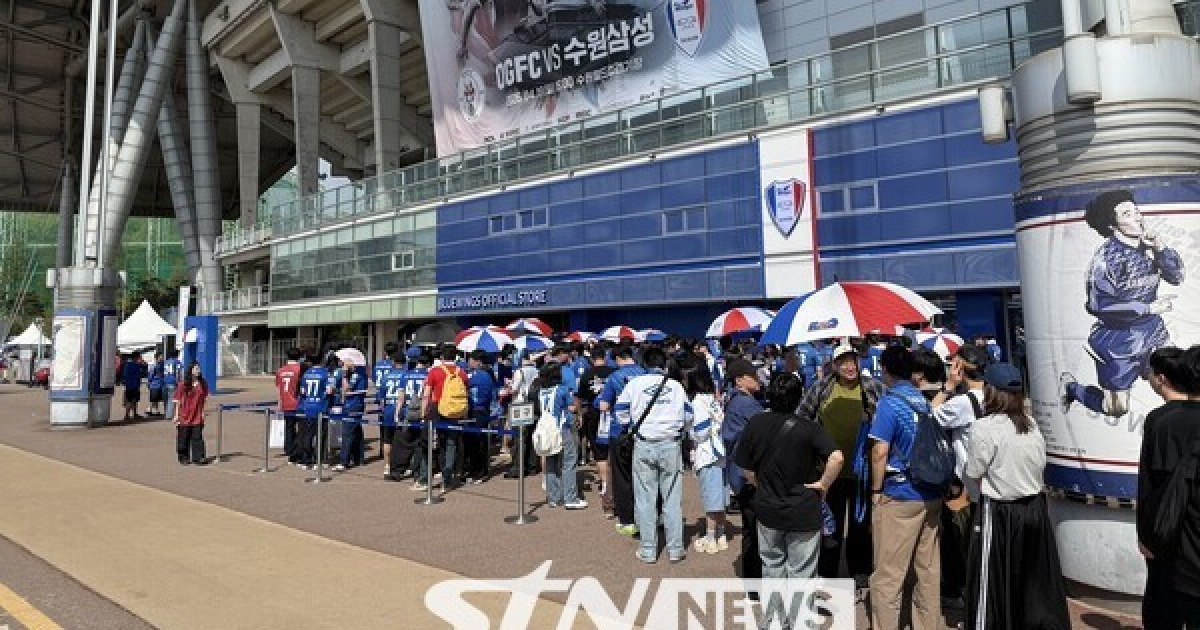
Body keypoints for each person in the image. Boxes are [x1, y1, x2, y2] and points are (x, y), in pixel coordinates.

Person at [964, 362, 1071, 629]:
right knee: (1034, 579)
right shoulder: (1031, 424)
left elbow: (974, 472)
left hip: (1000, 511)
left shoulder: (984, 427)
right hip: (1034, 508)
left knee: (990, 579)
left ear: (991, 391)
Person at [1062, 189, 1185, 418]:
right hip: (1118, 342)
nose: (1137, 217)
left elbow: (1177, 277)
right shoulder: (1105, 260)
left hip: (1153, 333)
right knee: (1117, 408)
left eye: (1136, 210)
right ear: (1112, 224)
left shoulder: (1150, 247)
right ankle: (1072, 389)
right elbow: (1097, 306)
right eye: (1127, 214)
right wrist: (1146, 308)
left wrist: (1160, 247)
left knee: (1177, 385)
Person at [737, 372, 843, 579]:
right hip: (802, 508)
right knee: (802, 571)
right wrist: (823, 484)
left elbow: (746, 469)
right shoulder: (811, 428)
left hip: (768, 506)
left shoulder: (755, 424)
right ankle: (799, 611)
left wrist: (759, 484)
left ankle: (775, 611)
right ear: (798, 397)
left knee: (771, 565)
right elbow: (837, 457)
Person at [868, 345, 944, 630]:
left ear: (885, 370)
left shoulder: (889, 403)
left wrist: (876, 492)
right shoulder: (923, 401)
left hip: (900, 495)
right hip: (931, 492)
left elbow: (879, 452)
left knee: (889, 573)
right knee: (927, 570)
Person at [795, 344, 883, 586]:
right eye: (843, 361)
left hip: (862, 471)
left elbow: (885, 422)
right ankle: (827, 572)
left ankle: (860, 572)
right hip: (828, 471)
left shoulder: (873, 387)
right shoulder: (821, 388)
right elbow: (802, 417)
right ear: (834, 365)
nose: (849, 366)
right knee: (828, 524)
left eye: (852, 360)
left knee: (860, 524)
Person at [1138, 346, 1200, 629]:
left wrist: (1144, 534)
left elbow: (1147, 483)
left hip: (1166, 531)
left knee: (1164, 608)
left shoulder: (1160, 421)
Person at [615, 346, 692, 563]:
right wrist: (678, 431)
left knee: (645, 499)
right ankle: (675, 549)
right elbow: (688, 415)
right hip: (670, 444)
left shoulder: (634, 384)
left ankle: (648, 550)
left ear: (643, 363)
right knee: (671, 499)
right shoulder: (675, 386)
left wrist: (630, 427)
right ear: (664, 364)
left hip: (644, 444)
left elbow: (619, 410)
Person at [931, 345, 991, 609]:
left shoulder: (962, 404)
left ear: (960, 367)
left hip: (970, 488)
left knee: (965, 544)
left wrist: (947, 387)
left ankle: (967, 595)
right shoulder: (995, 395)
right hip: (996, 483)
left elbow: (931, 415)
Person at [722, 358, 767, 584]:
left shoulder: (737, 400)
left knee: (751, 528)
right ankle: (756, 580)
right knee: (755, 529)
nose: (757, 379)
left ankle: (753, 581)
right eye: (752, 376)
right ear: (740, 380)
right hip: (747, 474)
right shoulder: (745, 404)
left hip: (738, 472)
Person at [597, 344, 647, 530]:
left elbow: (603, 405)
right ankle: (649, 517)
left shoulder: (615, 377)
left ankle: (628, 521)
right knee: (645, 476)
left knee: (622, 477)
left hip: (620, 431)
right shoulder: (646, 374)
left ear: (617, 358)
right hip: (644, 431)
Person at [684, 362, 729, 554]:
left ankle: (711, 537)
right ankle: (721, 533)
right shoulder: (712, 398)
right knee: (719, 495)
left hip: (706, 453)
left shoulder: (697, 402)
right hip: (719, 452)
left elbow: (700, 431)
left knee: (711, 498)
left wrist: (688, 433)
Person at [538, 363, 587, 509]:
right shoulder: (562, 390)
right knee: (569, 462)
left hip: (547, 429)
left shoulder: (542, 391)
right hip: (563, 428)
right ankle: (570, 498)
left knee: (551, 461)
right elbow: (571, 407)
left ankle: (553, 497)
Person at [422, 346, 470, 491]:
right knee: (451, 444)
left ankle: (426, 478)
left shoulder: (434, 372)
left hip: (437, 408)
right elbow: (465, 393)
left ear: (442, 357)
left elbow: (426, 394)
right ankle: (447, 479)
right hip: (455, 411)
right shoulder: (461, 373)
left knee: (431, 443)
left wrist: (423, 413)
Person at [576, 352, 615, 499]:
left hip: (593, 414)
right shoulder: (614, 372)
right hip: (613, 413)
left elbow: (579, 397)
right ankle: (613, 481)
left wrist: (579, 414)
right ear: (604, 358)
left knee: (599, 452)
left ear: (592, 359)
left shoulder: (587, 374)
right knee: (613, 448)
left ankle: (605, 482)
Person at [397, 353, 432, 490]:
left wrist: (398, 412)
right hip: (423, 412)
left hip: (408, 412)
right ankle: (417, 468)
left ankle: (409, 466)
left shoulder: (406, 375)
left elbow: (401, 396)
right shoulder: (428, 375)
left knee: (407, 442)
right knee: (421, 444)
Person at [465, 350, 498, 484]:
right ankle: (477, 471)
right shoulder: (489, 375)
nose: (469, 362)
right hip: (483, 411)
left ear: (477, 361)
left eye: (471, 359)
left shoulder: (475, 376)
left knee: (476, 442)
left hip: (475, 410)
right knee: (478, 442)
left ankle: (478, 472)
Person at [333, 358, 368, 472]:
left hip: (353, 405)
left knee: (347, 432)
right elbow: (336, 386)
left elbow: (347, 388)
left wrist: (344, 375)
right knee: (356, 431)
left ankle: (344, 461)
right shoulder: (350, 374)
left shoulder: (357, 375)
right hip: (349, 404)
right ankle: (359, 458)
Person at [296, 356, 330, 469]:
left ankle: (306, 460)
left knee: (308, 434)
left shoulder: (306, 374)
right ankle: (319, 460)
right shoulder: (325, 373)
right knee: (321, 434)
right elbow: (330, 391)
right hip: (321, 406)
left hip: (308, 406)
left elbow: (302, 392)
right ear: (321, 361)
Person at [173, 362, 210, 465]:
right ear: (191, 370)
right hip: (184, 415)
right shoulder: (183, 384)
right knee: (183, 437)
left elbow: (205, 399)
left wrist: (204, 412)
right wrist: (176, 415)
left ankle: (198, 457)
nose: (198, 371)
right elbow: (177, 401)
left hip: (197, 415)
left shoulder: (202, 384)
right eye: (196, 369)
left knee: (197, 437)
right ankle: (183, 457)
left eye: (199, 369)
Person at [375, 342, 400, 473]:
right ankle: (394, 457)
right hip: (395, 398)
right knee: (397, 432)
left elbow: (375, 379)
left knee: (384, 430)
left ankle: (383, 452)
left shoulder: (378, 364)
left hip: (383, 396)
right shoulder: (398, 366)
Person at [275, 349, 304, 465]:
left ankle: (289, 449)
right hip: (298, 403)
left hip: (285, 402)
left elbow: (278, 388)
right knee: (301, 428)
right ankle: (297, 450)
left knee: (289, 427)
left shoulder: (280, 370)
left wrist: (279, 403)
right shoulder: (300, 370)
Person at [121, 353, 143, 421]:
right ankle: (128, 415)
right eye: (139, 357)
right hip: (134, 385)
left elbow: (125, 375)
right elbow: (139, 375)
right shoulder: (135, 365)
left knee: (133, 400)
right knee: (131, 401)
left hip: (130, 385)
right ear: (136, 357)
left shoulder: (128, 365)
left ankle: (133, 414)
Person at [163, 349, 183, 420]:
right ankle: (169, 415)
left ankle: (166, 413)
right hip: (173, 382)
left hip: (165, 382)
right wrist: (179, 382)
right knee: (172, 399)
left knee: (166, 399)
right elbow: (178, 373)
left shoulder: (166, 362)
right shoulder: (177, 362)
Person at [147, 352, 165, 417]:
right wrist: (149, 382)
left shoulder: (162, 364)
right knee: (153, 398)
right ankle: (149, 409)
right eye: (161, 356)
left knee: (156, 398)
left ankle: (156, 410)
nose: (162, 358)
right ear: (157, 357)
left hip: (159, 384)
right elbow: (151, 375)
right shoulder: (154, 365)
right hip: (154, 384)